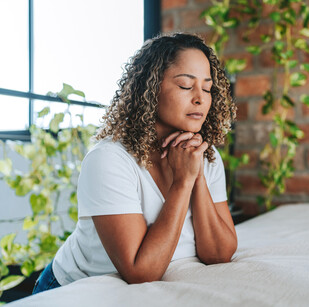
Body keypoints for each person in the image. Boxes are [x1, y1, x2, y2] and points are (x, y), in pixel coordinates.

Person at [32, 32, 238, 295]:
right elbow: (141, 271)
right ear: (150, 90)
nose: (200, 98)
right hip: (67, 288)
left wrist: (195, 174)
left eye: (207, 88)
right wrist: (183, 181)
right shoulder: (108, 160)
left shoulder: (205, 156)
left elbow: (219, 253)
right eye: (186, 86)